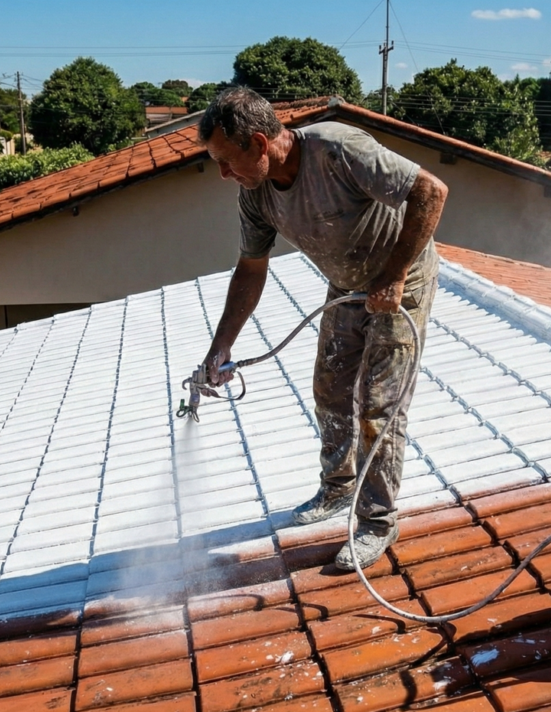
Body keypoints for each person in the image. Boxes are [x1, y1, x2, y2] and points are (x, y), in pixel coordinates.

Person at [197, 88, 448, 570]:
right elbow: (250, 269)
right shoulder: (255, 194)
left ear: (259, 143)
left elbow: (431, 192)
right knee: (330, 389)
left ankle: (378, 521)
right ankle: (338, 488)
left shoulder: (337, 150)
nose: (224, 174)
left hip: (402, 280)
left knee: (378, 406)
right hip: (348, 285)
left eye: (226, 161)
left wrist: (395, 275)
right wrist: (220, 346)